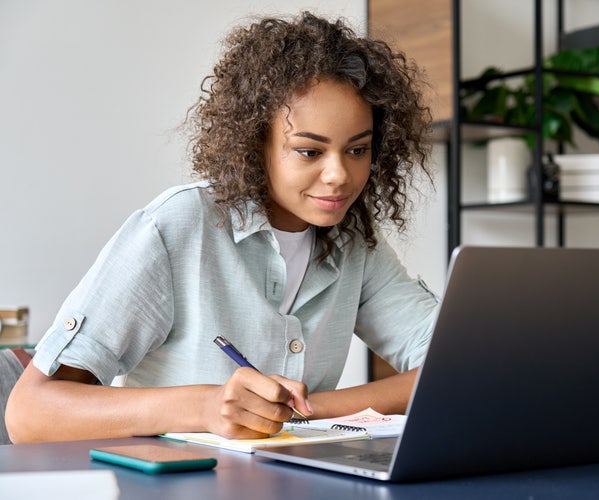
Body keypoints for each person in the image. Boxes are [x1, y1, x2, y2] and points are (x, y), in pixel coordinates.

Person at [6, 11, 438, 443]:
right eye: (309, 152)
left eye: (357, 149)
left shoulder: (353, 242)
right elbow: (30, 413)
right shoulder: (179, 227)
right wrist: (205, 406)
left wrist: (302, 412)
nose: (339, 175)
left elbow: (458, 366)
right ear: (256, 143)